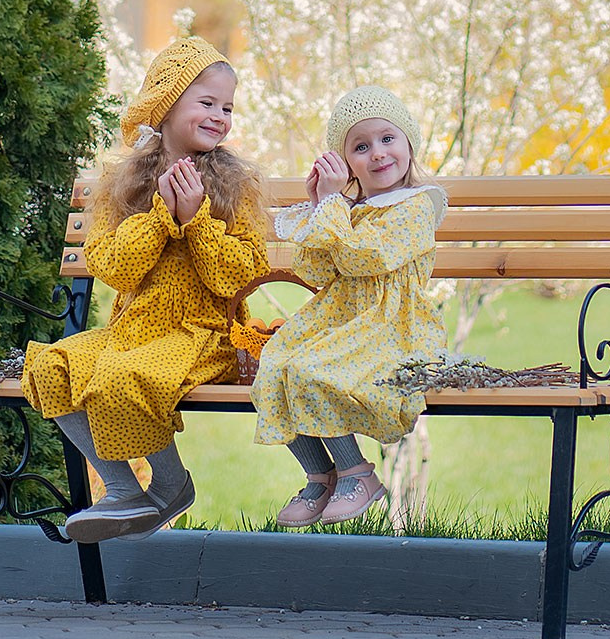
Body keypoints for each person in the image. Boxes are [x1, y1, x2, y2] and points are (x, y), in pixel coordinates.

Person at [23, 35, 270, 542]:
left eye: (227, 107)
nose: (220, 116)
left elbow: (242, 276)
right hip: (136, 329)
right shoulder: (128, 180)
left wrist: (197, 220)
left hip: (206, 333)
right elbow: (115, 268)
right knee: (51, 365)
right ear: (166, 105)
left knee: (126, 373)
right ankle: (124, 491)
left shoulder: (236, 182)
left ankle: (171, 483)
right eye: (206, 103)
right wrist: (159, 219)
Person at [252, 84, 446, 526]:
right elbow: (321, 272)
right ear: (345, 162)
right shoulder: (349, 208)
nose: (378, 153)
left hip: (391, 324)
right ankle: (321, 475)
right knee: (276, 362)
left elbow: (366, 258)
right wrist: (325, 203)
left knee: (312, 370)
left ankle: (358, 473)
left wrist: (335, 207)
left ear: (409, 142)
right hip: (342, 318)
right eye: (361, 146)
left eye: (387, 138)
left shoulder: (416, 205)